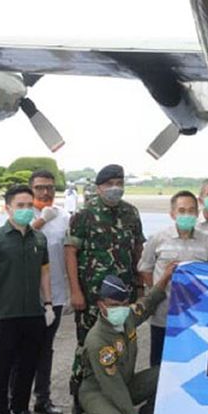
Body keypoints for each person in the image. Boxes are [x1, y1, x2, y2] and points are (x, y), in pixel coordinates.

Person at [0, 184, 55, 414]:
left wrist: (49, 304)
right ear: (7, 207)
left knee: (29, 364)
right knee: (2, 366)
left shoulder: (38, 238)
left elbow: (44, 273)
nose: (25, 210)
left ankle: (20, 410)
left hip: (32, 313)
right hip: (4, 314)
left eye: (29, 206)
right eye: (20, 206)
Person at [73, 273, 172, 414]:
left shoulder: (127, 317)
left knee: (166, 375)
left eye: (124, 305)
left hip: (125, 383)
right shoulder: (98, 341)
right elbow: (113, 387)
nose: (120, 309)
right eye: (113, 306)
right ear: (101, 305)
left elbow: (148, 303)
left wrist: (166, 276)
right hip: (98, 390)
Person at [65, 163, 145, 387]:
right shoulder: (84, 214)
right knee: (87, 345)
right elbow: (70, 252)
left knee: (121, 344)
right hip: (92, 296)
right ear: (99, 188)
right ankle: (81, 397)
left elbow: (138, 248)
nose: (115, 188)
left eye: (119, 184)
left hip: (123, 297)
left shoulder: (131, 213)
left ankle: (117, 394)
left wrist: (139, 287)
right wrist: (75, 292)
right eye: (109, 184)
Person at [138, 191, 208, 366]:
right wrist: (157, 291)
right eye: (182, 210)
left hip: (194, 316)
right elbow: (145, 268)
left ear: (197, 213)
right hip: (163, 314)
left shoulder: (207, 241)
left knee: (189, 363)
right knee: (158, 365)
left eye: (191, 210)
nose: (187, 215)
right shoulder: (158, 238)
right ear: (172, 214)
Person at [22, 169, 69, 414]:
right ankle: (17, 400)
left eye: (50, 187)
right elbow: (20, 239)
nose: (45, 191)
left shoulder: (64, 217)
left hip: (57, 293)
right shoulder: (22, 213)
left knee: (45, 348)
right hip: (26, 295)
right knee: (23, 349)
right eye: (40, 187)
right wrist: (41, 220)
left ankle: (43, 397)